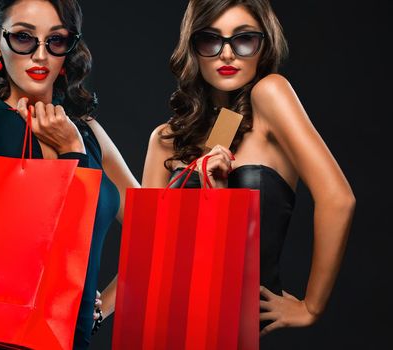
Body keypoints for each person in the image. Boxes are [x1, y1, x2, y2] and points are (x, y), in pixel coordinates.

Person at [139, 0, 356, 337]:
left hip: (235, 333)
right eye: (211, 40)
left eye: (243, 40)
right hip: (166, 327)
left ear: (264, 45)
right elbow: (146, 258)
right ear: (193, 48)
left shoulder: (270, 94)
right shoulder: (166, 139)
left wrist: (312, 306)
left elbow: (338, 199)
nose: (227, 55)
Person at [0, 0, 138, 349]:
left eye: (55, 40)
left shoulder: (87, 131)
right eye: (24, 38)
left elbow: (155, 232)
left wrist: (98, 308)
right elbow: (50, 256)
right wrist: (71, 152)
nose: (40, 55)